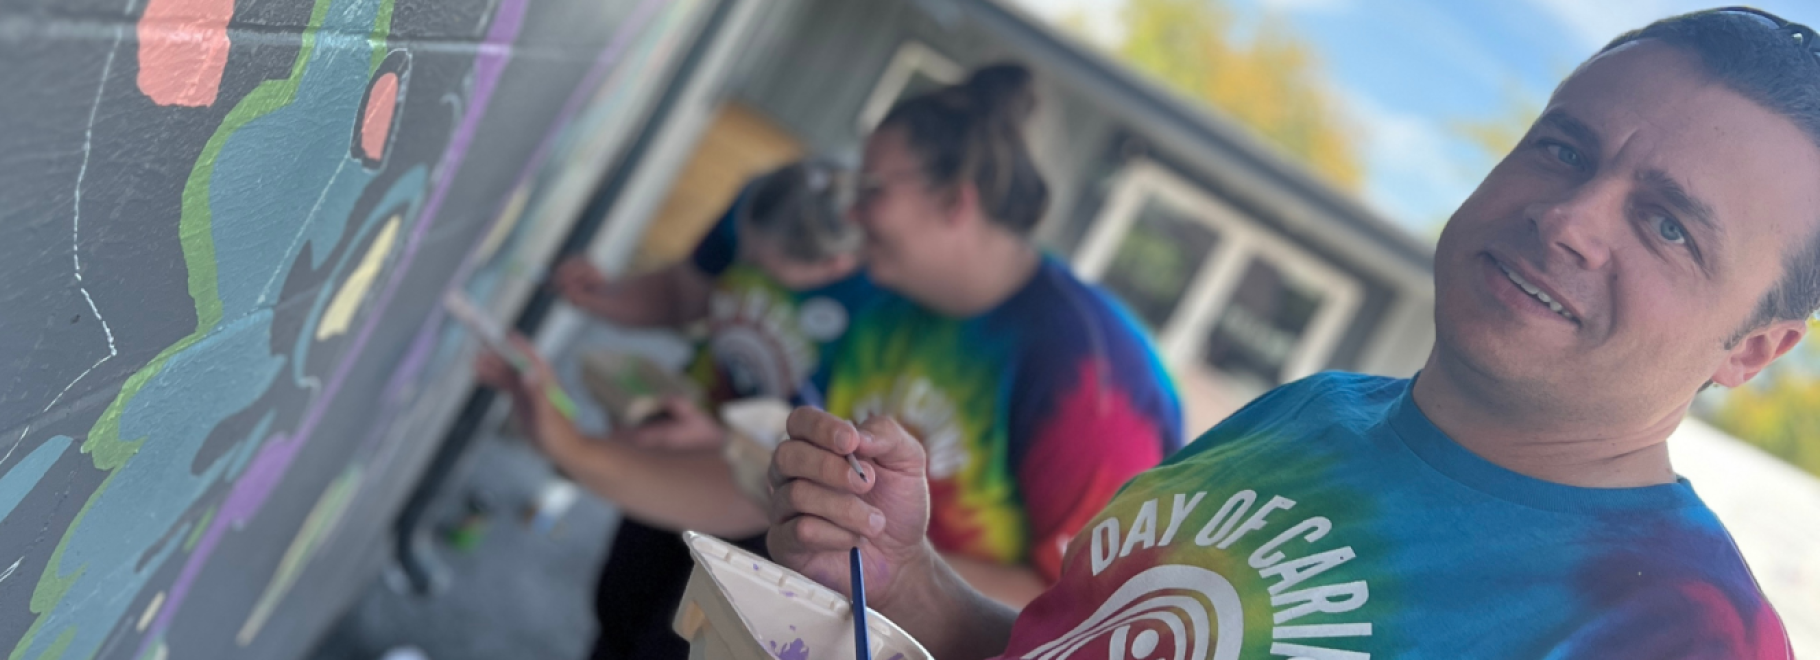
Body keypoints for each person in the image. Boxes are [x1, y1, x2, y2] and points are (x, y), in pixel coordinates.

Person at [765, 9, 1808, 659]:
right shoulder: (1311, 412)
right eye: (1564, 149)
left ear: (1752, 350)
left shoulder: (1681, 632)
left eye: (1667, 225)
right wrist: (905, 575)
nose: (1572, 220)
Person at [479, 62, 1185, 646]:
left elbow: (1091, 617)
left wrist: (887, 560)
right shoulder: (889, 293)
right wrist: (579, 445)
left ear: (957, 203)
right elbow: (779, 488)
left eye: (873, 191)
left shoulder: (1095, 382)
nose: (849, 212)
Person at [545, 159, 882, 660]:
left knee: (677, 643)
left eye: (763, 267)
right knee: (621, 602)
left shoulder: (886, 307)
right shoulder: (764, 198)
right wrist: (605, 297)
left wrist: (721, 441)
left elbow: (849, 466)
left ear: (836, 268)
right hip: (688, 440)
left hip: (772, 505)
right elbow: (686, 292)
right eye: (743, 252)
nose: (744, 266)